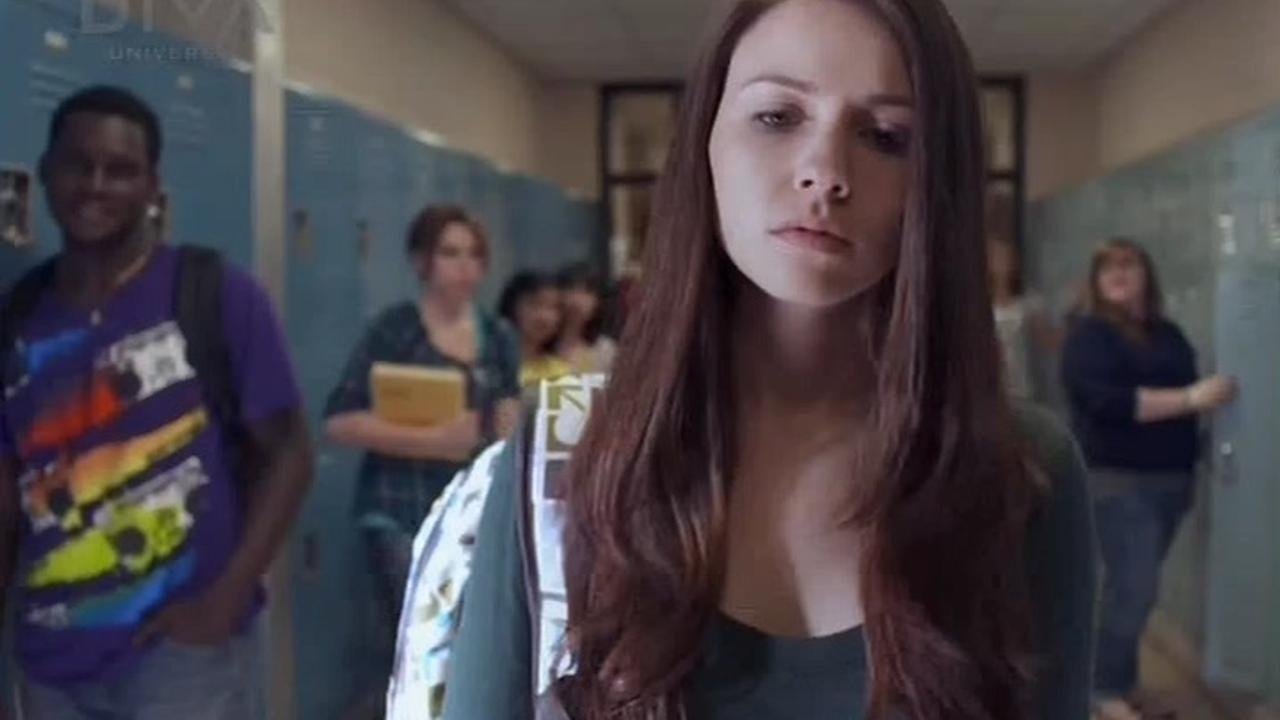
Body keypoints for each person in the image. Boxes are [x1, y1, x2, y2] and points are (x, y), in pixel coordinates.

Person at [443, 1, 1096, 719]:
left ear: (934, 184)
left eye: (885, 136)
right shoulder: (567, 454)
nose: (825, 173)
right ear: (705, 142)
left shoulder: (1020, 470)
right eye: (778, 117)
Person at [0, 86, 312, 719]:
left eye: (120, 170)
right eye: (79, 165)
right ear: (47, 172)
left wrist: (225, 601)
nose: (96, 185)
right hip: (50, 661)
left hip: (181, 658)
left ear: (151, 187)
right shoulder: (20, 316)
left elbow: (289, 455)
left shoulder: (214, 292)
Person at [323, 205, 521, 691]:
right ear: (421, 261)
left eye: (474, 255)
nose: (465, 267)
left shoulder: (497, 335)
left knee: (474, 642)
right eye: (450, 253)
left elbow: (507, 413)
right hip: (399, 508)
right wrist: (432, 441)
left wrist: (511, 428)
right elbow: (339, 422)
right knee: (420, 640)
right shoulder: (395, 330)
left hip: (471, 511)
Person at [1061, 238, 1236, 720]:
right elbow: (1105, 403)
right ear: (1095, 281)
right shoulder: (1089, 336)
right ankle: (1101, 691)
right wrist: (1190, 399)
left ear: (1146, 275)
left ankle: (1120, 682)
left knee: (1133, 589)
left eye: (1128, 264)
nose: (1118, 273)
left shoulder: (1168, 334)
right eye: (1107, 268)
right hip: (1118, 480)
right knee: (1134, 589)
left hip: (1170, 481)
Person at [988, 236, 1059, 399]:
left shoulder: (1026, 300)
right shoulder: (976, 301)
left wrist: (1075, 316)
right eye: (996, 257)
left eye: (1007, 257)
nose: (1002, 263)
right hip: (988, 381)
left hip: (1019, 382)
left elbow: (1046, 340)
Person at [498, 272, 571, 389]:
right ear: (512, 307)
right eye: (535, 304)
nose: (545, 316)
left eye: (554, 307)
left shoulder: (560, 373)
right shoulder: (491, 367)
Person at [555, 265, 618, 374]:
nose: (577, 300)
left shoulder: (606, 351)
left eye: (587, 292)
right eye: (571, 289)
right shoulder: (538, 344)